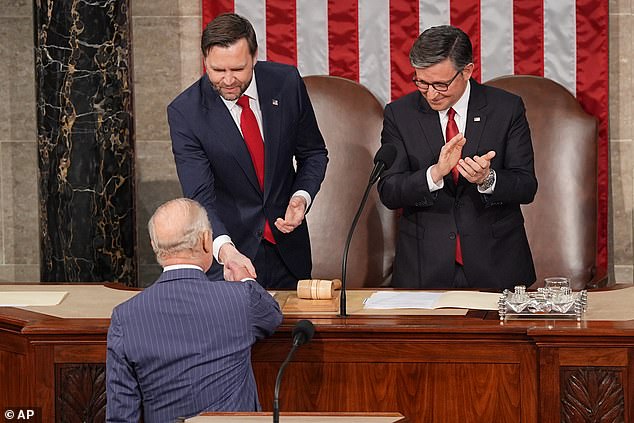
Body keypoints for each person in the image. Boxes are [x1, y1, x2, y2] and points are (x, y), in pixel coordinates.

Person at [167, 13, 328, 289]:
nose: (228, 80)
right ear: (205, 60)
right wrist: (225, 250)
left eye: (238, 69)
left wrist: (301, 197)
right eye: (218, 70)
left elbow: (313, 152)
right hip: (231, 259)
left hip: (289, 253)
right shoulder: (186, 113)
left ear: (254, 57)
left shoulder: (285, 83)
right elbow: (200, 196)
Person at [378, 25, 537, 290]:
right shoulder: (400, 114)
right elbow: (389, 191)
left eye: (440, 84)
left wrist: (488, 179)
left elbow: (526, 186)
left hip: (497, 266)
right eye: (421, 82)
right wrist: (434, 174)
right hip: (424, 269)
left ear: (467, 71)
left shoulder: (506, 109)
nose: (431, 94)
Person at [106, 198, 282, 422]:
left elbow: (121, 417)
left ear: (154, 246)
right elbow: (272, 315)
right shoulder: (239, 299)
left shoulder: (125, 317)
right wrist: (245, 279)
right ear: (206, 240)